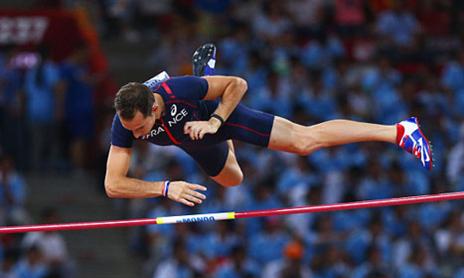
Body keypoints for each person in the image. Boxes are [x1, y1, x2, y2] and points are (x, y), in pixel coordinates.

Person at [105, 43, 433, 207]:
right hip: (194, 139)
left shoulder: (176, 90)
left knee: (305, 142)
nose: (136, 136)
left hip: (217, 118)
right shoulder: (125, 120)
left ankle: (398, 131)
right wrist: (164, 188)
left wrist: (215, 119)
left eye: (139, 128)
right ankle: (206, 78)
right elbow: (113, 184)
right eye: (131, 130)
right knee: (233, 180)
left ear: (153, 107)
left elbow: (239, 84)